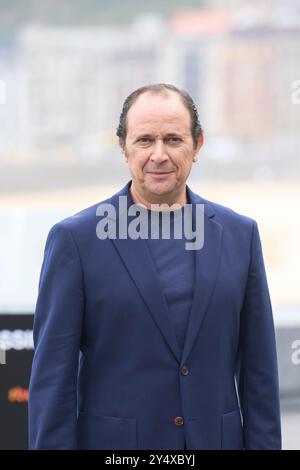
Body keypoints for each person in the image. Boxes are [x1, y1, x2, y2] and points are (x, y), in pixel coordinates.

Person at [28, 83, 281, 450]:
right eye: (145, 140)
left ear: (198, 146)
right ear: (123, 147)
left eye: (174, 140)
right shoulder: (76, 240)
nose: (158, 155)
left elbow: (260, 374)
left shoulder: (240, 235)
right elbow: (53, 380)